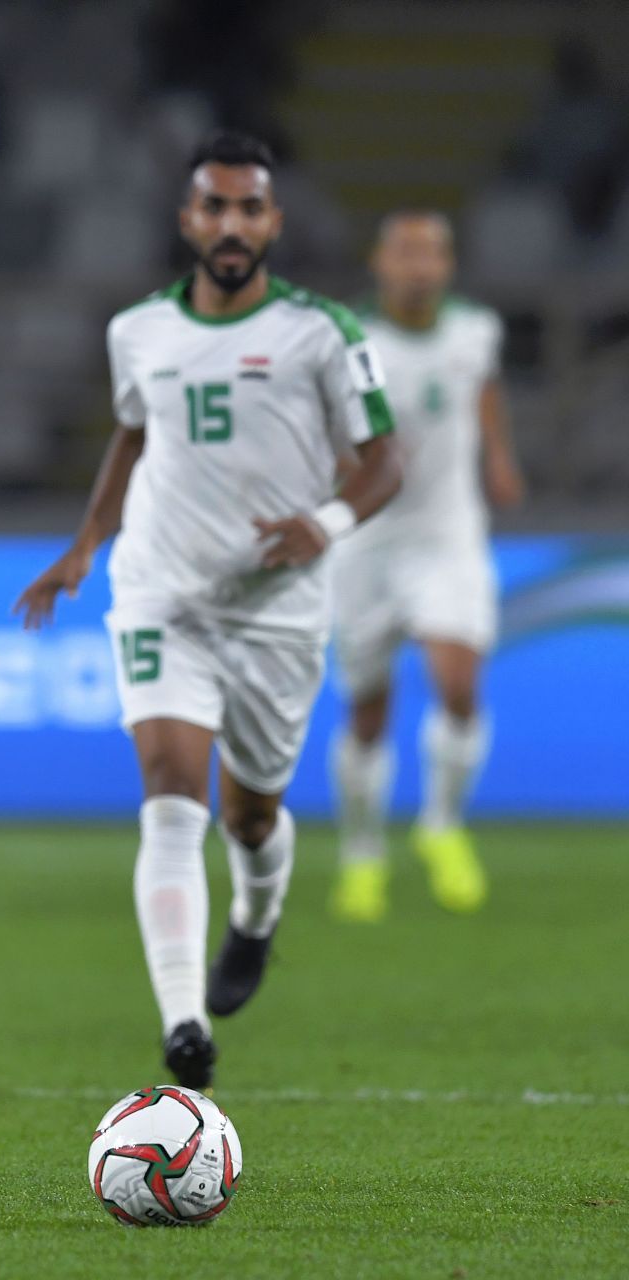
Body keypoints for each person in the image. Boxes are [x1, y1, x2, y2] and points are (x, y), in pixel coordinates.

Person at [13, 132, 402, 1090]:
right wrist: (86, 545)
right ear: (189, 219)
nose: (232, 224)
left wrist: (328, 519)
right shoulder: (138, 330)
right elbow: (132, 438)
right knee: (170, 791)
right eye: (215, 206)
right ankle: (185, 1026)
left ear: (274, 221)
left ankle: (257, 919)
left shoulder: (323, 333)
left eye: (250, 208)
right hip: (162, 592)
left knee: (253, 814)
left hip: (276, 610)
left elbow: (387, 462)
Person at [328, 211, 523, 923]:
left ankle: (441, 824)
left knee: (459, 682)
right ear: (380, 261)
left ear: (448, 265)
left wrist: (498, 457)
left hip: (448, 535)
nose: (419, 264)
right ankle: (362, 852)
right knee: (368, 711)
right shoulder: (348, 339)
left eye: (432, 252)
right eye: (405, 251)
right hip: (368, 543)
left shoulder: (477, 330)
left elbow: (485, 392)